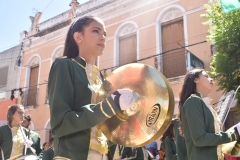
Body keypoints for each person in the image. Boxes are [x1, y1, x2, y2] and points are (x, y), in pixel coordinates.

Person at [48, 15, 136, 160]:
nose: (103, 37)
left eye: (104, 34)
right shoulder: (64, 66)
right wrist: (109, 106)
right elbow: (60, 124)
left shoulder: (102, 78)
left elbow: (106, 124)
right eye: (96, 31)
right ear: (78, 37)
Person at [179, 69, 240, 160]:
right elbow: (199, 139)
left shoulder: (206, 105)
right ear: (196, 80)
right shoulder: (193, 101)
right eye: (206, 76)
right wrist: (232, 135)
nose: (211, 79)